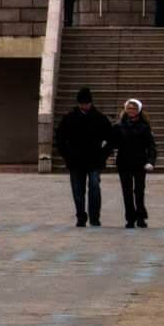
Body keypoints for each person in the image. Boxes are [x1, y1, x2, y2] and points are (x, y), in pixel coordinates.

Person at [54, 87, 113, 226]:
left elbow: (110, 139)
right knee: (77, 190)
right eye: (82, 103)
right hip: (75, 160)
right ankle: (81, 216)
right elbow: (60, 139)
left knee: (94, 186)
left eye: (87, 103)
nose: (84, 105)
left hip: (95, 160)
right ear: (78, 103)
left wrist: (103, 156)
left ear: (91, 103)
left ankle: (94, 217)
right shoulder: (69, 118)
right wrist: (67, 155)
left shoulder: (100, 118)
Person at [111, 98, 158, 228]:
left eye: (134, 108)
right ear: (125, 110)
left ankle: (141, 217)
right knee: (127, 192)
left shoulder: (144, 126)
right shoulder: (119, 126)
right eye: (129, 108)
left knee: (139, 191)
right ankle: (130, 218)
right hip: (124, 162)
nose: (131, 111)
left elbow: (151, 146)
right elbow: (113, 143)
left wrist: (151, 161)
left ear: (139, 110)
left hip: (139, 162)